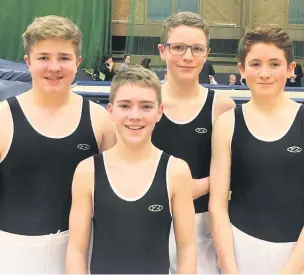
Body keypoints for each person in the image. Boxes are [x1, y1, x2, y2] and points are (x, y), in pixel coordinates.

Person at [0, 15, 116, 274]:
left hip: (78, 252)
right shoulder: (3, 120)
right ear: (28, 62)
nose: (54, 67)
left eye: (64, 57)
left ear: (78, 63)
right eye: (43, 58)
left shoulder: (100, 121)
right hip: (11, 252)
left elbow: (115, 193)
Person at [66, 65, 197, 274]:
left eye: (146, 106)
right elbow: (76, 249)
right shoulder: (87, 171)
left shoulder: (176, 171)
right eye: (125, 106)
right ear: (110, 110)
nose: (135, 116)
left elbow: (187, 247)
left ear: (159, 112)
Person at [210, 25, 304, 274]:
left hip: (297, 255)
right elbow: (217, 205)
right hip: (242, 251)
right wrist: (229, 268)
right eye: (255, 64)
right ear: (241, 69)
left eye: (274, 64)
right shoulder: (228, 123)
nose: (264, 73)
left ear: (290, 69)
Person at [152, 11, 235, 274]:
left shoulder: (221, 107)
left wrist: (204, 184)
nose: (188, 57)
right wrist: (174, 188)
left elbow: (240, 171)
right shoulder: (142, 103)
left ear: (206, 54)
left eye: (196, 49)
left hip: (202, 227)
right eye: (178, 47)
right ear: (163, 51)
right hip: (147, 222)